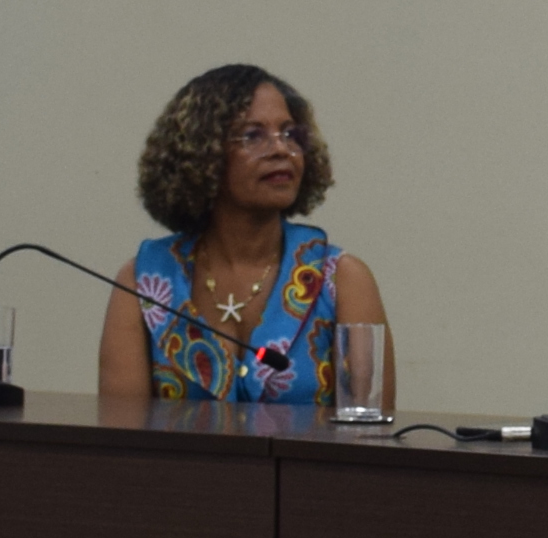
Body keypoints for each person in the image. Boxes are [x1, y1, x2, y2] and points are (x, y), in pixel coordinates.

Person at [101, 63, 392, 408]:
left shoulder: (342, 280)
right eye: (253, 136)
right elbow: (123, 433)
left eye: (290, 135)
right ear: (202, 154)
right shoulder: (142, 282)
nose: (281, 149)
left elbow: (369, 429)